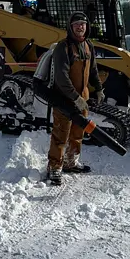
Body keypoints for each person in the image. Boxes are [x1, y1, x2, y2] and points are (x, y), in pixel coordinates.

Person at [47, 11, 105, 185]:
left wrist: (99, 89)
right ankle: (54, 167)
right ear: (70, 27)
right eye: (76, 24)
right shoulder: (63, 47)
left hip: (82, 97)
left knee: (78, 132)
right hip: (64, 98)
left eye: (83, 24)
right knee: (61, 134)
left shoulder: (88, 46)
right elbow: (61, 78)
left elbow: (93, 70)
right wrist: (75, 98)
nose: (80, 27)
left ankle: (71, 162)